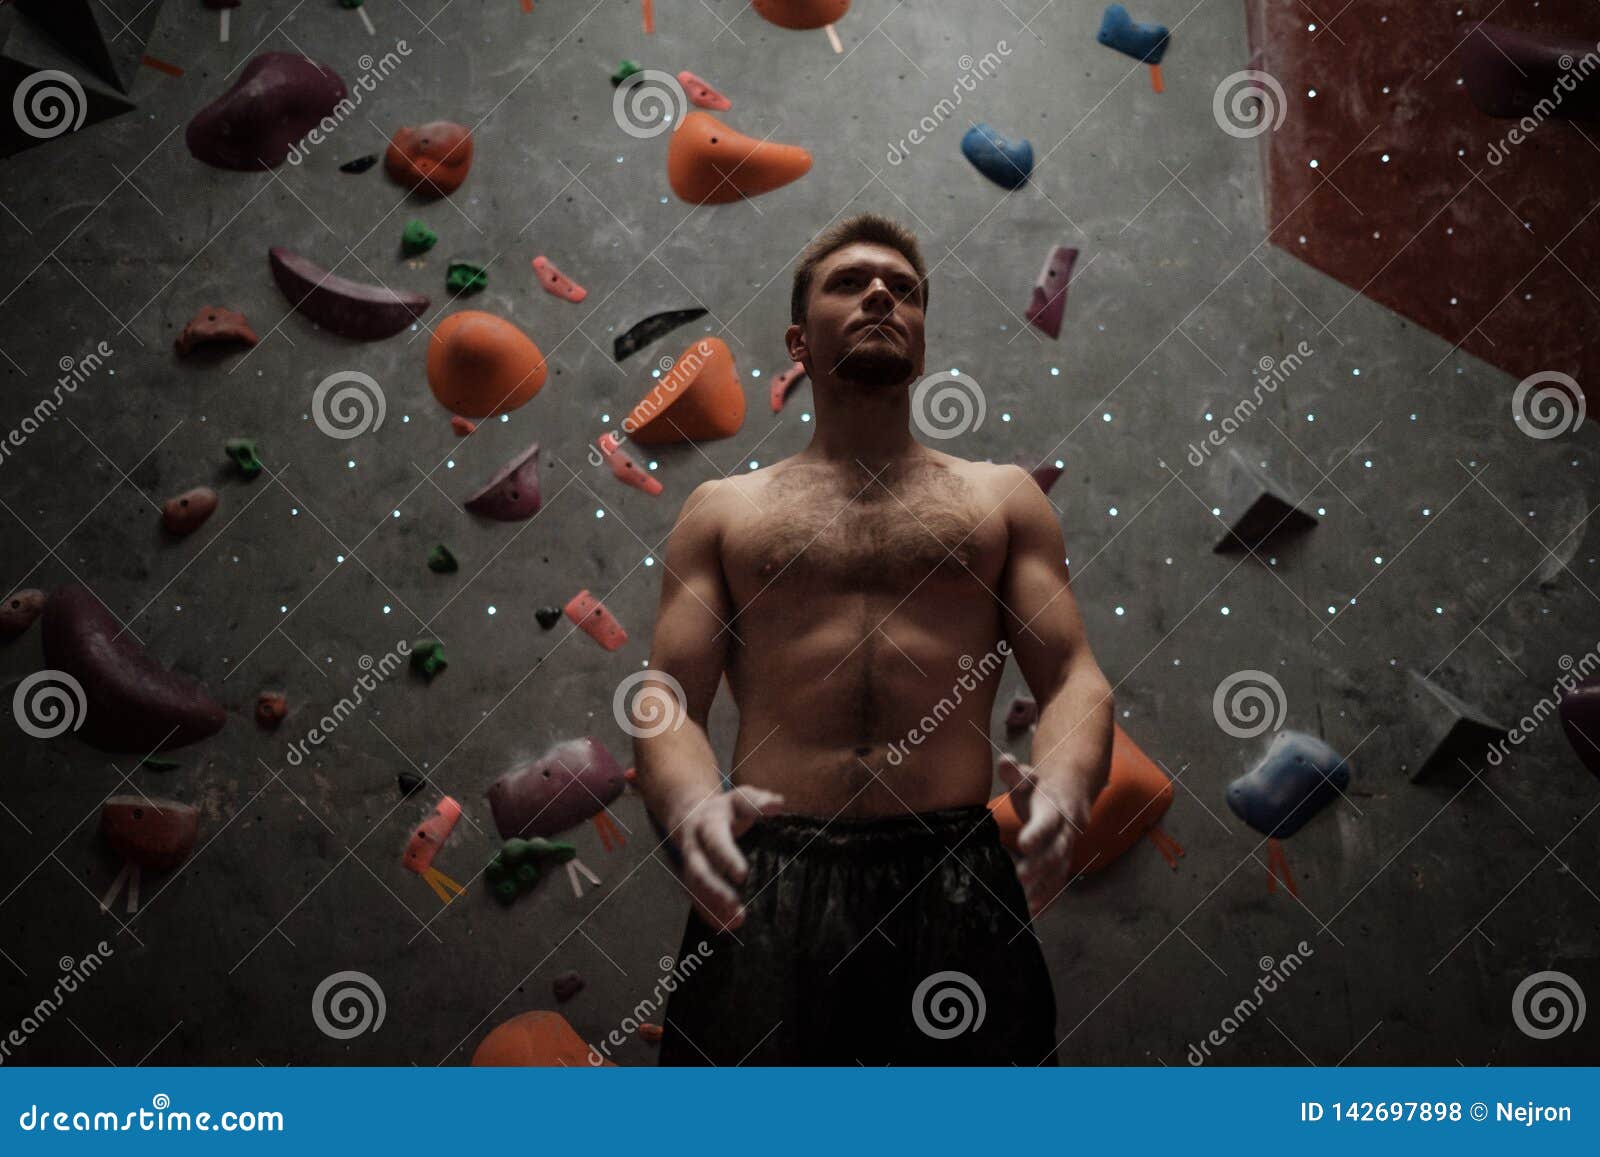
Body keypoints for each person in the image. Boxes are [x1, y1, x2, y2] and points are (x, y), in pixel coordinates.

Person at [631, 213, 1113, 1065]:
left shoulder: (1001, 500)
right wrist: (691, 805)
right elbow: (668, 695)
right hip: (770, 874)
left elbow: (1073, 673)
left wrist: (1067, 787)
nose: (883, 293)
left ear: (923, 347)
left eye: (906, 289)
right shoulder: (723, 511)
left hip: (955, 873)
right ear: (797, 340)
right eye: (848, 282)